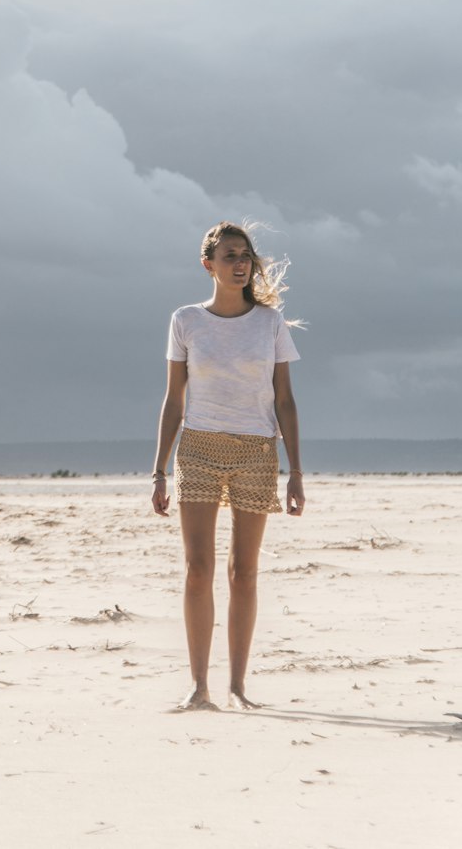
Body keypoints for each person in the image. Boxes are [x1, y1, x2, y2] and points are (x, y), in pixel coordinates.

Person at [151, 220, 305, 711]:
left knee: (245, 572)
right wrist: (158, 471)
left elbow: (285, 399)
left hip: (257, 451)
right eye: (230, 256)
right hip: (196, 449)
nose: (241, 264)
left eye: (246, 256)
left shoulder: (270, 323)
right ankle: (200, 688)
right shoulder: (186, 320)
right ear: (209, 265)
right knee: (198, 570)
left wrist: (296, 472)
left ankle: (238, 687)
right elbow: (173, 400)